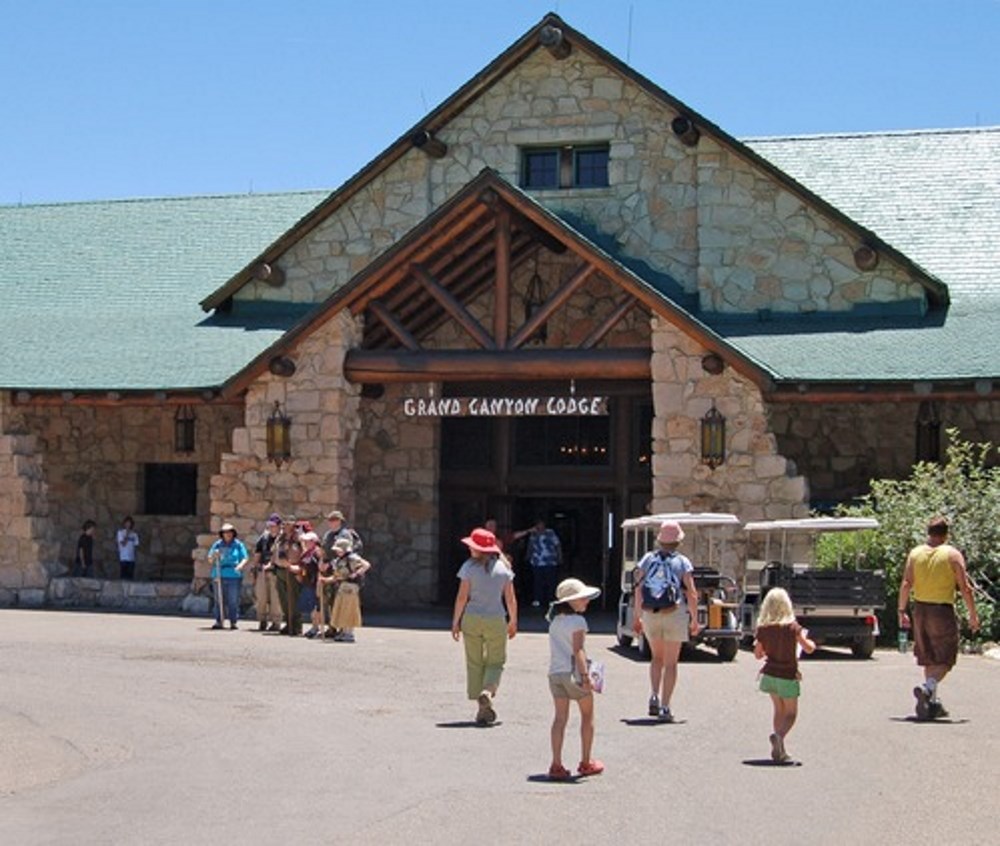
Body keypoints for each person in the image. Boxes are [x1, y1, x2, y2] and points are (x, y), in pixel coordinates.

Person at [898, 516, 980, 720]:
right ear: (946, 534)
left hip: (920, 609)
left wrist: (901, 610)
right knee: (946, 657)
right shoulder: (952, 555)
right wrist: (973, 614)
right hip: (941, 610)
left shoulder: (915, 554)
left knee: (929, 657)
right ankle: (928, 688)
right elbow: (965, 588)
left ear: (928, 532)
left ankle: (932, 703)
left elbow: (906, 583)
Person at [631, 519, 700, 723]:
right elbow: (692, 593)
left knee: (656, 658)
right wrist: (694, 619)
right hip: (674, 613)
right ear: (678, 541)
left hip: (651, 613)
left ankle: (654, 694)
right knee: (671, 663)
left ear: (660, 540)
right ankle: (665, 706)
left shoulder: (647, 559)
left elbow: (638, 589)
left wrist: (637, 616)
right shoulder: (682, 562)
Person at [451, 527, 518, 725]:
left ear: (479, 549)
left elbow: (462, 597)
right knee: (496, 661)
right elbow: (510, 599)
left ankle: (480, 705)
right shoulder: (504, 569)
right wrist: (513, 621)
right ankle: (487, 691)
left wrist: (455, 621)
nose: (469, 549)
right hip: (495, 619)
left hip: (472, 618)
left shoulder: (468, 567)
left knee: (474, 661)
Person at [546, 577, 604, 781]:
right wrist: (586, 676)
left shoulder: (554, 622)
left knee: (559, 718)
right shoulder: (578, 622)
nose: (586, 601)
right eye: (582, 598)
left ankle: (556, 763)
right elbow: (578, 649)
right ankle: (586, 762)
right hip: (574, 673)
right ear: (570, 601)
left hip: (555, 673)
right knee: (587, 715)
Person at [753, 587, 816, 763]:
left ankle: (780, 748)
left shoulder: (763, 629)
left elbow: (758, 654)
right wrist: (811, 643)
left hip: (769, 675)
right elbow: (808, 648)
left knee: (778, 709)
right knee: (791, 713)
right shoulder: (793, 628)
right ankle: (779, 736)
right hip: (787, 675)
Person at [322, 536, 372, 642]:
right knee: (341, 609)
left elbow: (366, 565)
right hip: (342, 586)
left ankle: (349, 633)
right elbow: (337, 576)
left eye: (339, 549)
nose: (337, 551)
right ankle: (344, 631)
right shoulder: (338, 561)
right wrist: (325, 580)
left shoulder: (353, 558)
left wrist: (356, 574)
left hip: (351, 587)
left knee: (349, 609)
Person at [207, 523, 249, 630]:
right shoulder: (217, 545)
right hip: (219, 574)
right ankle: (219, 620)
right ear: (222, 534)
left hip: (233, 575)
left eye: (230, 532)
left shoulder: (238, 545)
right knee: (219, 599)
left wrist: (240, 566)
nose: (228, 534)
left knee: (233, 599)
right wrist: (214, 556)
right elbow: (210, 559)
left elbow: (245, 558)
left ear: (233, 533)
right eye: (225, 532)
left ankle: (233, 621)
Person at [516, 518, 562, 607]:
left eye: (541, 524)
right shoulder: (533, 534)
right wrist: (528, 556)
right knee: (538, 581)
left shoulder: (550, 533)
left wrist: (559, 556)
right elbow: (530, 546)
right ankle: (538, 599)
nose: (540, 526)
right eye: (538, 524)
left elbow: (557, 545)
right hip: (537, 562)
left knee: (550, 581)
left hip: (550, 561)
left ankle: (551, 599)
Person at [252, 514, 283, 632]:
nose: (271, 528)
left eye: (274, 526)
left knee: (276, 599)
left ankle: (276, 622)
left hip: (276, 571)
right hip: (262, 571)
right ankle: (262, 620)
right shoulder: (264, 538)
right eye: (270, 526)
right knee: (261, 597)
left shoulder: (282, 539)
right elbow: (257, 553)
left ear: (279, 526)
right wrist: (255, 569)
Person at [297, 531, 324, 638]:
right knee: (311, 606)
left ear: (314, 541)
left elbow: (320, 568)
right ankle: (314, 627)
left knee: (316, 607)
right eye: (305, 541)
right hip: (307, 582)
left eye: (308, 541)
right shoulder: (306, 553)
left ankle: (317, 628)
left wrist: (319, 581)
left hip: (315, 582)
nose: (305, 543)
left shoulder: (317, 553)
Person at [116, 516, 139, 580]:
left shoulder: (134, 534)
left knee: (130, 577)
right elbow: (123, 544)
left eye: (129, 523)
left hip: (131, 558)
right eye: (126, 523)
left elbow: (136, 545)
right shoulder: (120, 532)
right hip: (123, 558)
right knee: (123, 577)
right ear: (124, 523)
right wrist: (127, 534)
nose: (128, 524)